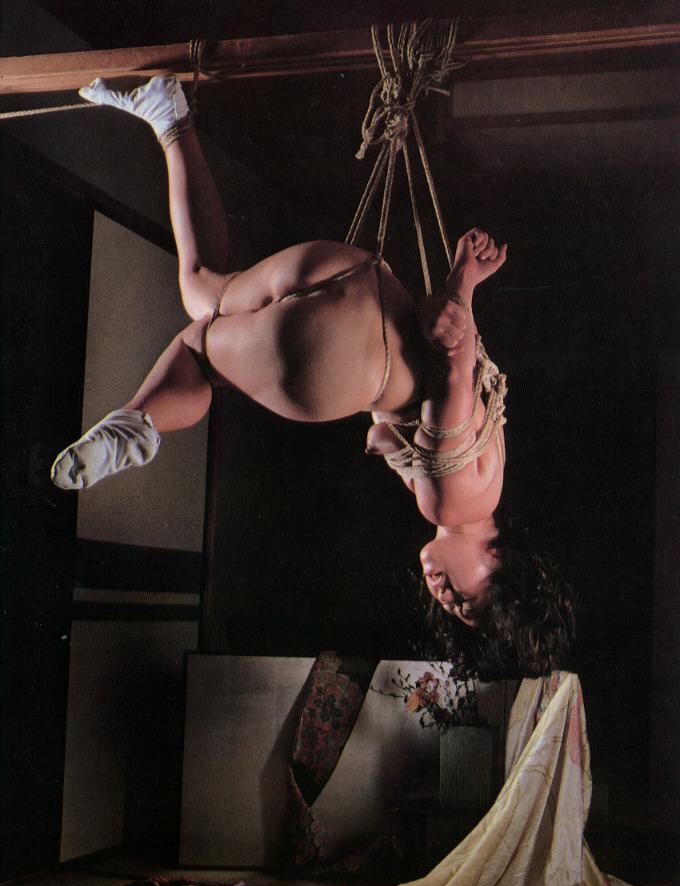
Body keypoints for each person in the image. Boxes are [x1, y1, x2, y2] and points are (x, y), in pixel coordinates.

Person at [51, 76, 574, 670]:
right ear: (499, 563)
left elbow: (446, 379)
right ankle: (138, 427)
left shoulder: (490, 479)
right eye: (470, 601)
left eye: (454, 612)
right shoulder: (450, 506)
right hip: (341, 360)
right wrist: (462, 284)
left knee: (202, 291)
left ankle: (168, 115)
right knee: (196, 350)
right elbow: (452, 361)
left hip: (359, 281)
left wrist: (453, 302)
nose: (447, 598)